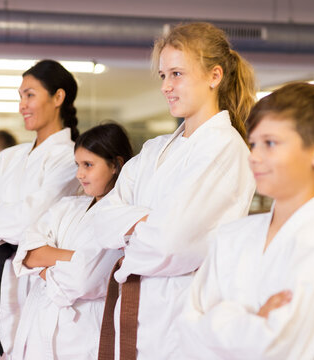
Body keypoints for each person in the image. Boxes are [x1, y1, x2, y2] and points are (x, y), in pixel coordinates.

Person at [95, 22, 257, 359]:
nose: (166, 86)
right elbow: (99, 220)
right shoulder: (155, 149)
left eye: (177, 74)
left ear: (214, 76)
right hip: (137, 310)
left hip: (182, 316)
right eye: (163, 75)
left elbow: (170, 243)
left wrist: (130, 229)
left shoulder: (226, 148)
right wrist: (148, 222)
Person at [179, 82, 314, 359]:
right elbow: (186, 331)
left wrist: (220, 317)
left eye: (270, 143)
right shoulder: (233, 236)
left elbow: (277, 351)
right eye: (253, 143)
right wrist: (254, 321)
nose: (254, 157)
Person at [0, 59, 81, 360]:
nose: (22, 105)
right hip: (1, 273)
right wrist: (7, 220)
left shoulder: (72, 157)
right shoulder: (8, 157)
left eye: (30, 94)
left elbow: (31, 220)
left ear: (58, 97)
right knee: (1, 346)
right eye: (20, 96)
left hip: (41, 276)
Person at [11, 123, 133, 359]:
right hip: (38, 326)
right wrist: (75, 259)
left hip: (83, 334)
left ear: (116, 165)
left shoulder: (123, 216)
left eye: (88, 165)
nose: (79, 174)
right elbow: (28, 252)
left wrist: (44, 266)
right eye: (78, 165)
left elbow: (82, 280)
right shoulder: (67, 206)